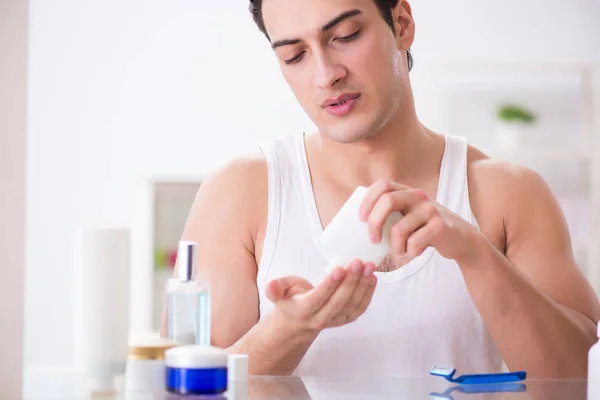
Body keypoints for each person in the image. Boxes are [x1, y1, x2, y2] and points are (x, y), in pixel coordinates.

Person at [174, 0, 600, 378]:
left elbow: (579, 378)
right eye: (295, 55)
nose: (326, 75)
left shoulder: (508, 193)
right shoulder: (240, 193)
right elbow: (181, 391)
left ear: (401, 23)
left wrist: (474, 253)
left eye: (345, 36)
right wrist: (288, 331)